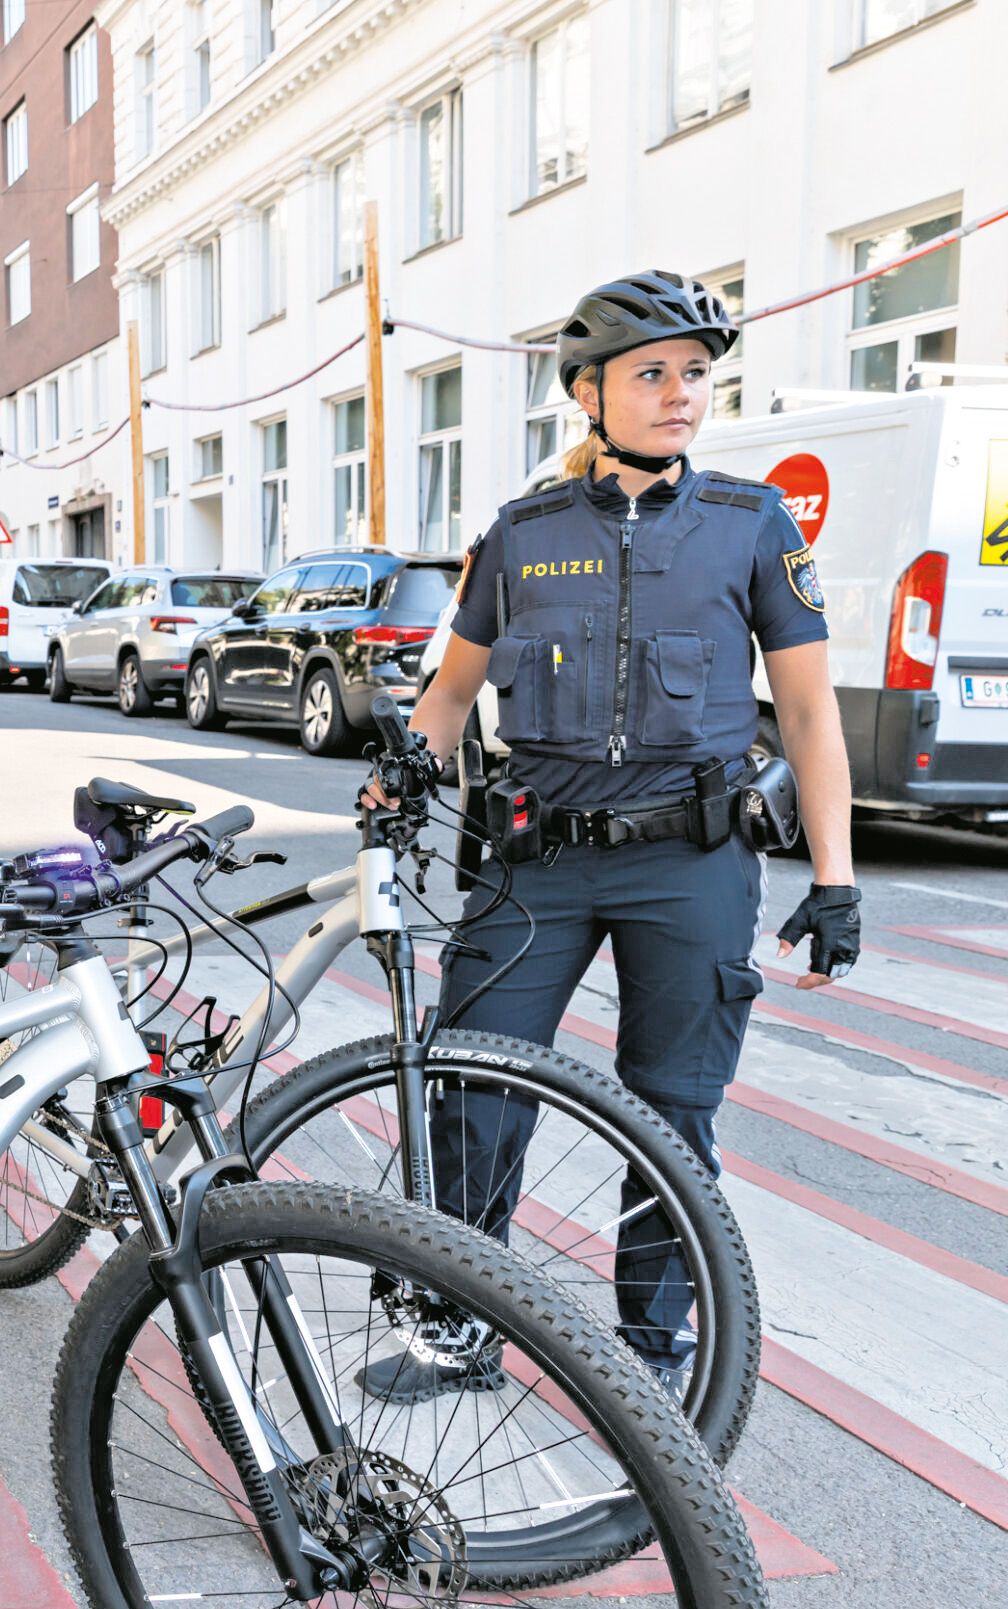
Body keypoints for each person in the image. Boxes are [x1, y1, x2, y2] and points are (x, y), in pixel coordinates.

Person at [370, 270, 860, 1399]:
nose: (679, 394)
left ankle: (648, 1351)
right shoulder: (522, 533)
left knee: (670, 1110)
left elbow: (806, 711)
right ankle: (456, 1322)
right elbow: (449, 695)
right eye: (651, 374)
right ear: (587, 391)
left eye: (694, 374)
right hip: (535, 860)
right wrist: (401, 778)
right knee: (475, 1090)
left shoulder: (749, 524)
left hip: (690, 862)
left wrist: (833, 878)